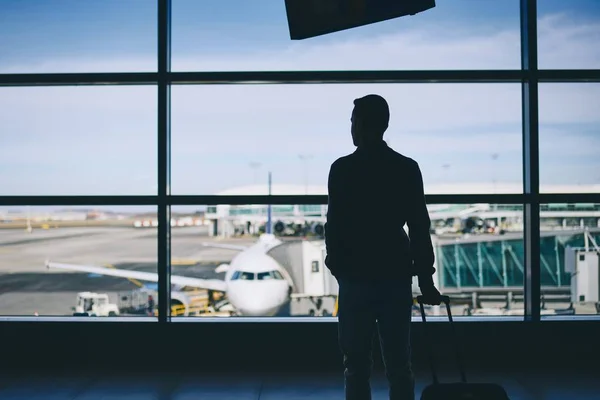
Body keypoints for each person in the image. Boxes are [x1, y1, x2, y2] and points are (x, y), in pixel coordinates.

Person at [325, 94, 442, 400]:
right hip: (394, 273)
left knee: (356, 365)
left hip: (355, 275)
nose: (350, 127)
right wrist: (426, 280)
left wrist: (337, 266)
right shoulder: (406, 168)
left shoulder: (342, 169)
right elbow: (419, 225)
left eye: (352, 121)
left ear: (361, 124)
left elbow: (334, 225)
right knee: (399, 363)